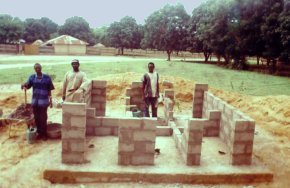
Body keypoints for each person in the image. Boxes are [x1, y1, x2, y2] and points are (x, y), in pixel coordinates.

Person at [21, 63, 54, 140]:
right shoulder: (32, 77)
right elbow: (28, 86)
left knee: (43, 118)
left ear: (41, 68)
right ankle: (39, 132)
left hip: (44, 102)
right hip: (35, 102)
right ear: (34, 69)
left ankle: (44, 134)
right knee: (36, 118)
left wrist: (51, 100)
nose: (37, 69)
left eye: (39, 68)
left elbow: (49, 90)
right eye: (36, 68)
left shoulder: (47, 78)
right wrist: (24, 85)